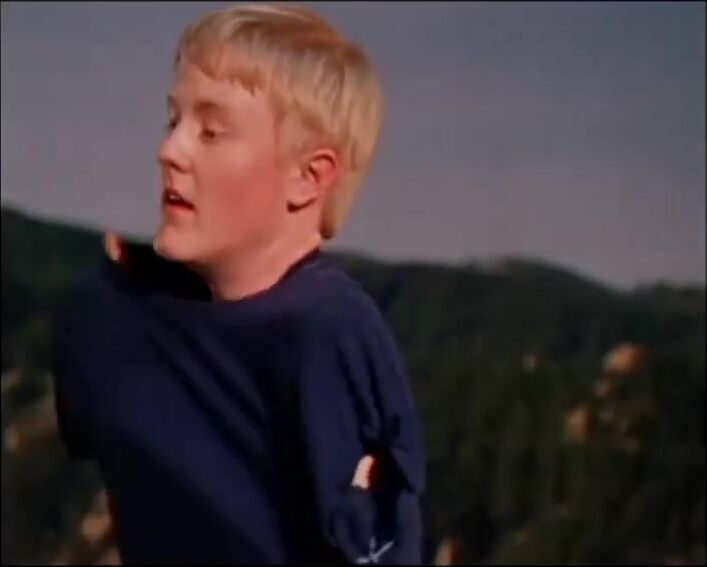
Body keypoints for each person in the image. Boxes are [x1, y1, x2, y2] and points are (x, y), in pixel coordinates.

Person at [52, 3, 425, 564]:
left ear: (309, 176)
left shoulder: (330, 339)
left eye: (211, 131)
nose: (169, 151)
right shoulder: (106, 316)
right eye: (173, 122)